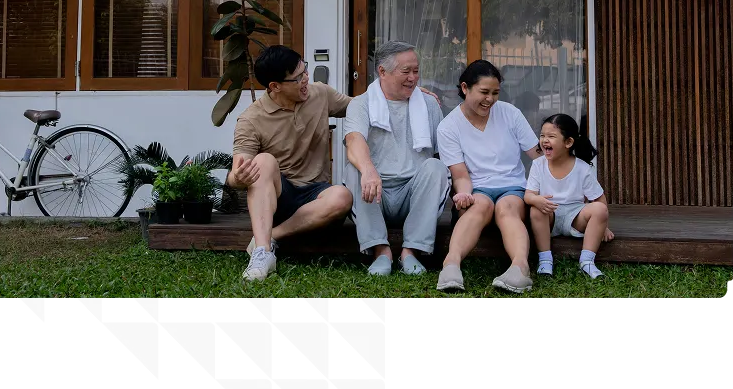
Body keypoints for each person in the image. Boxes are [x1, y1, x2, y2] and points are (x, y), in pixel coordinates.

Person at [227, 44, 442, 282]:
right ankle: (262, 253)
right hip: (279, 196)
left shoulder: (319, 93)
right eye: (297, 78)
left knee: (342, 195)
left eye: (305, 70)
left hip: (317, 198)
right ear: (275, 86)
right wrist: (239, 178)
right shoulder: (250, 119)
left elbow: (368, 105)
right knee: (264, 162)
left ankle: (267, 237)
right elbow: (237, 173)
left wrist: (406, 88)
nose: (306, 79)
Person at [435, 60, 543, 293]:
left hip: (512, 186)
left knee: (507, 208)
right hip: (477, 188)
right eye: (484, 92)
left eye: (495, 93)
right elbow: (461, 175)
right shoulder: (448, 127)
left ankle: (520, 269)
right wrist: (463, 193)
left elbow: (538, 155)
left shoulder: (510, 114)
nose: (490, 99)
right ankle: (450, 265)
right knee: (479, 206)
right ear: (465, 88)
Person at [343, 41, 450, 276]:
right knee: (355, 168)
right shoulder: (361, 104)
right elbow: (354, 141)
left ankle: (410, 251)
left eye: (416, 71)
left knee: (436, 167)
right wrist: (369, 170)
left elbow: (445, 150)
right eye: (406, 71)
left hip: (414, 194)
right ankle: (381, 250)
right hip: (375, 192)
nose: (413, 78)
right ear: (382, 72)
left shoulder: (429, 104)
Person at [526, 113, 614, 279]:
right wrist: (536, 199)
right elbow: (528, 196)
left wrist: (604, 226)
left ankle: (587, 261)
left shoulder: (581, 168)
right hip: (549, 216)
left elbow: (599, 199)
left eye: (551, 136)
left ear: (568, 142)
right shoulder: (538, 165)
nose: (545, 140)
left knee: (599, 209)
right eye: (542, 135)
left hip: (575, 217)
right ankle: (545, 260)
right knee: (535, 210)